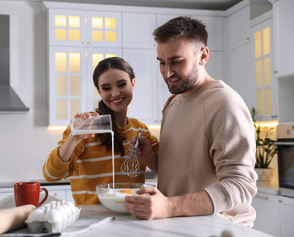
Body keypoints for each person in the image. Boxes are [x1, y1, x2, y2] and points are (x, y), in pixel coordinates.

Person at [124, 16, 257, 227]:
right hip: (179, 227)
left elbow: (240, 185)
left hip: (217, 229)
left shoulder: (225, 103)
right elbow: (185, 174)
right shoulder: (172, 105)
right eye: (162, 63)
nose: (167, 72)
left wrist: (169, 207)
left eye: (176, 61)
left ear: (203, 56)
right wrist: (151, 158)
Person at [43, 57, 159, 205]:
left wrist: (148, 157)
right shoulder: (86, 127)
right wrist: (73, 139)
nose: (115, 93)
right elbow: (50, 175)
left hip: (132, 216)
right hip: (92, 219)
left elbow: (168, 169)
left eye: (121, 84)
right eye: (106, 88)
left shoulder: (140, 130)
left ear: (133, 83)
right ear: (99, 91)